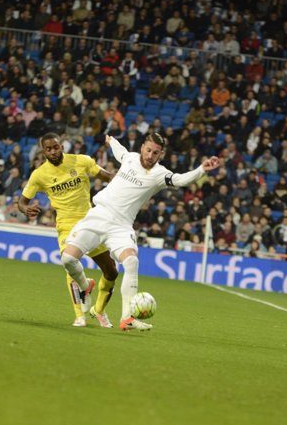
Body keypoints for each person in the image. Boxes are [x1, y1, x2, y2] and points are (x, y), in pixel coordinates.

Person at [61, 134, 221, 331]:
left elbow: (180, 180)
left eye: (155, 153)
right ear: (142, 147)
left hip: (121, 226)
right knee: (68, 259)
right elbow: (120, 151)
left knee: (131, 262)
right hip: (99, 215)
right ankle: (86, 286)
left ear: (160, 154)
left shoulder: (159, 174)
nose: (150, 155)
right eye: (148, 150)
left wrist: (201, 170)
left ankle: (126, 318)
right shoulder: (129, 158)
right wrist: (111, 141)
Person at [18, 133, 119, 327]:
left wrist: (128, 181)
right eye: (48, 149)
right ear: (43, 151)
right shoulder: (39, 175)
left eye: (56, 147)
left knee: (111, 271)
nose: (53, 151)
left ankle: (98, 310)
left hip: (91, 222)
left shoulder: (81, 161)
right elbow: (22, 201)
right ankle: (79, 315)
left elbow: (107, 176)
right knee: (69, 263)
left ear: (62, 146)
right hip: (66, 225)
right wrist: (26, 209)